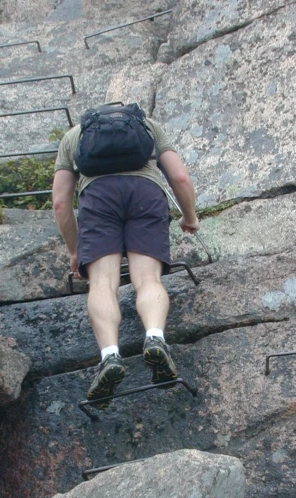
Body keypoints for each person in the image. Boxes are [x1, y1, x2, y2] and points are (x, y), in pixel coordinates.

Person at [52, 103, 199, 409]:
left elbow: (60, 203)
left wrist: (75, 250)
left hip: (98, 198)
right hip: (146, 194)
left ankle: (110, 357)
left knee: (103, 284)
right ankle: (155, 338)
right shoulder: (148, 126)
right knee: (147, 279)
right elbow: (180, 178)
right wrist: (190, 217)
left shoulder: (73, 137)